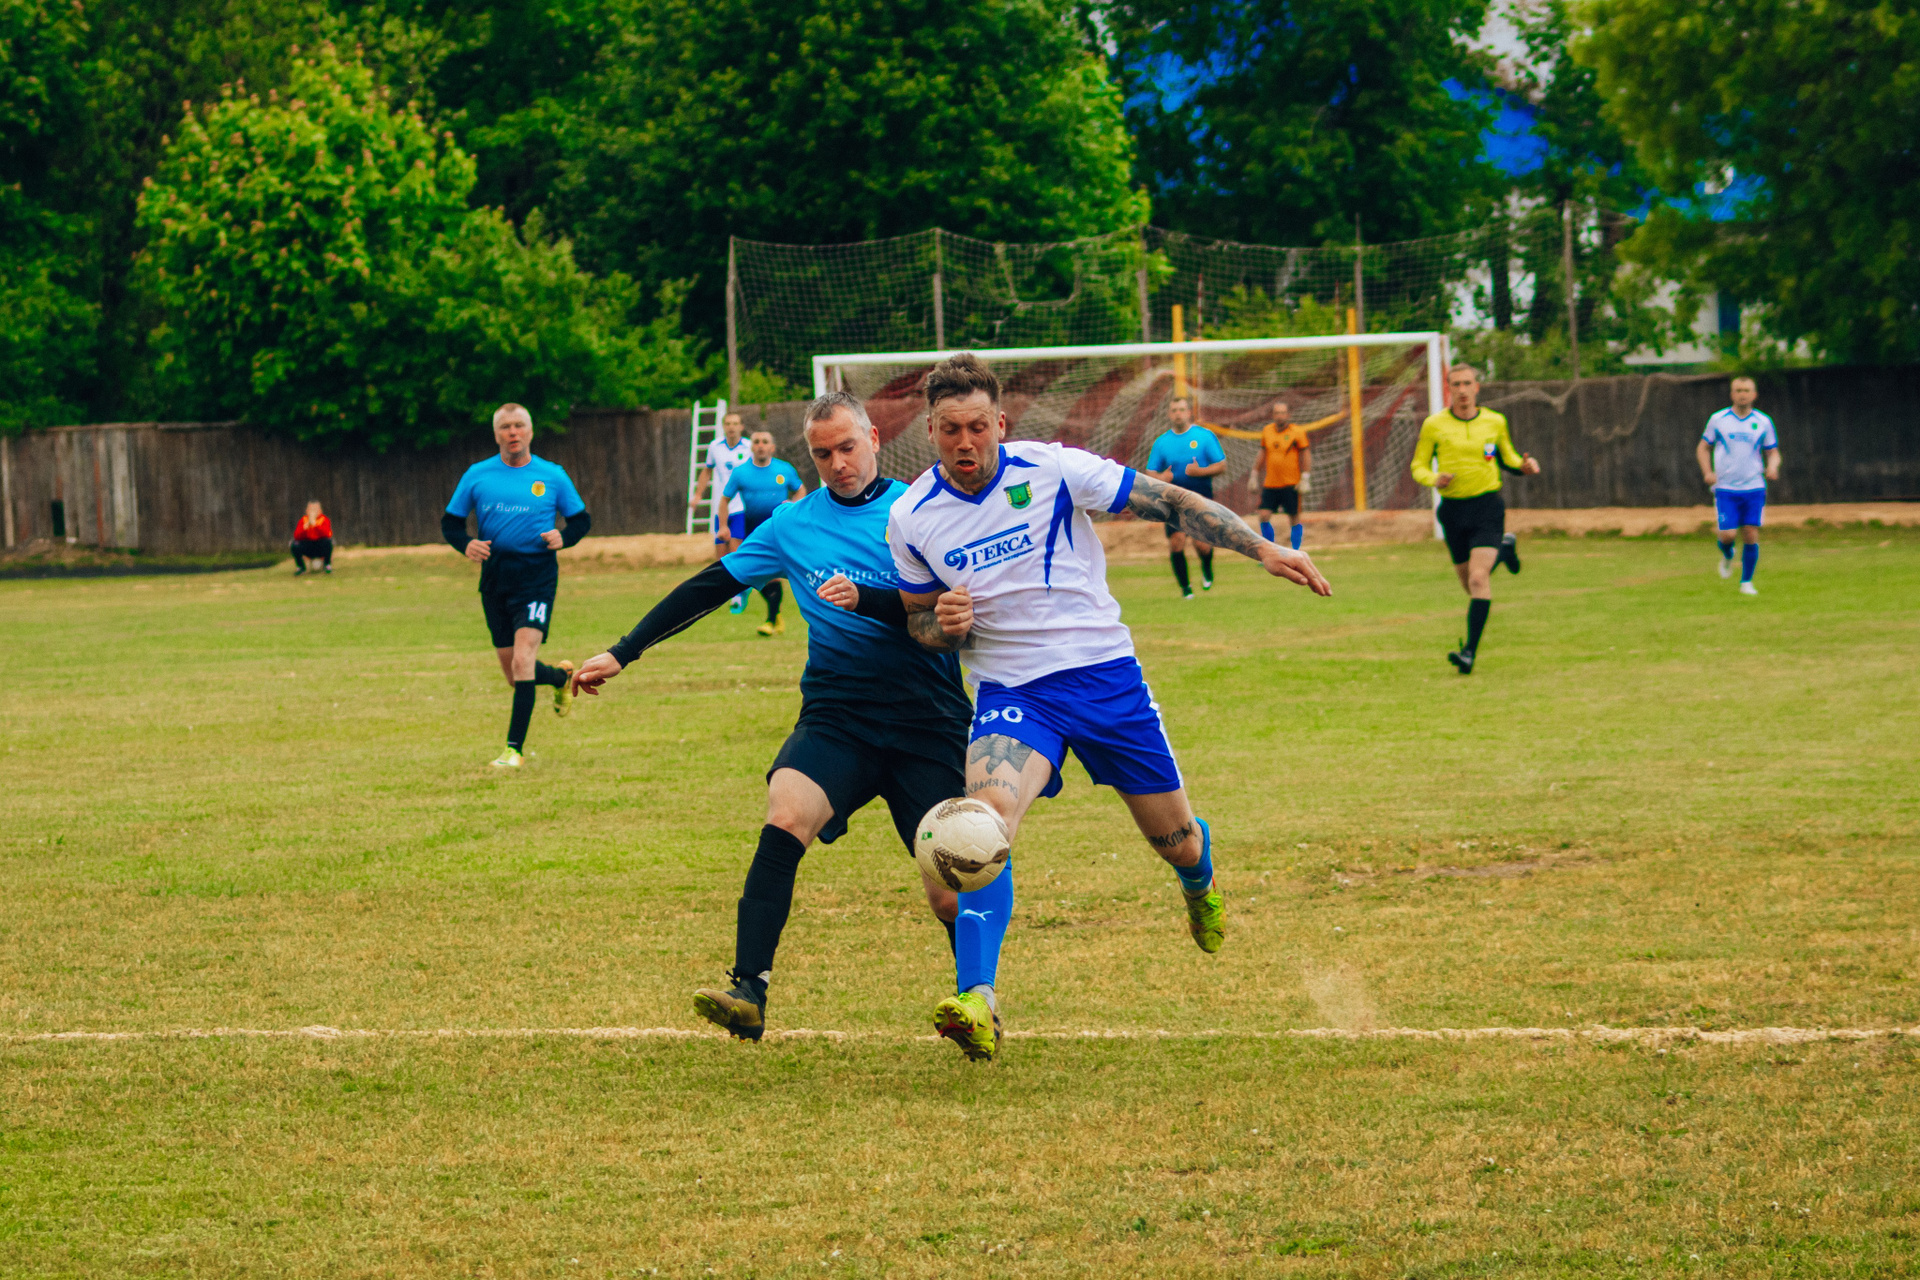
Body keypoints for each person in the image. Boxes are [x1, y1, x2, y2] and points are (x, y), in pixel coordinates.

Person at [888, 353, 1331, 1061]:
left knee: (1176, 840)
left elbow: (1171, 501)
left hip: (1105, 680)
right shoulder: (911, 516)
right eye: (949, 430)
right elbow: (919, 622)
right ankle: (978, 999)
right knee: (982, 824)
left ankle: (1198, 880)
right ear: (931, 431)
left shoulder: (1055, 469)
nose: (964, 442)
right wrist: (945, 624)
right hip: (1012, 691)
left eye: (977, 427)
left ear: (1000, 422)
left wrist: (1260, 548)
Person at [570, 393, 975, 1045]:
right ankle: (748, 990)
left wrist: (892, 606)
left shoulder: (924, 512)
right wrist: (624, 651)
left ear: (874, 439)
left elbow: (955, 616)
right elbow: (712, 586)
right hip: (839, 715)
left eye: (848, 447)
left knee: (948, 885)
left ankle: (976, 1003)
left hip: (928, 721)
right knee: (786, 815)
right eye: (822, 454)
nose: (838, 464)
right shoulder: (792, 525)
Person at [441, 403, 593, 768]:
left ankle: (514, 751)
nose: (513, 432)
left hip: (536, 576)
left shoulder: (552, 475)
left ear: (530, 431)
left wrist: (564, 537)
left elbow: (581, 520)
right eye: (506, 426)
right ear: (496, 434)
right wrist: (466, 544)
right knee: (514, 674)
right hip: (495, 578)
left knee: (524, 660)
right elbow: (450, 523)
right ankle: (559, 677)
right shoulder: (477, 475)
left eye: (519, 425)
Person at [1410, 364, 1541, 675]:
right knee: (1470, 585)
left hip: (1487, 508)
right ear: (1449, 389)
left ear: (1477, 387)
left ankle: (1468, 652)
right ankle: (1504, 550)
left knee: (1479, 580)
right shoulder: (1434, 425)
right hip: (1453, 512)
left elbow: (1507, 456)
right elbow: (1418, 466)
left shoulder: (1495, 421)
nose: (1463, 390)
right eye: (1456, 384)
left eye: (1468, 383)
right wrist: (1433, 478)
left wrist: (1523, 465)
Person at [1696, 376, 1781, 596]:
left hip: (1754, 486)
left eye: (1746, 390)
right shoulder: (1718, 419)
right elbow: (1703, 448)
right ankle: (1727, 553)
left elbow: (1772, 451)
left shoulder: (1763, 421)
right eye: (1738, 390)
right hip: (1726, 488)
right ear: (1732, 394)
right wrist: (1707, 472)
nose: (1742, 394)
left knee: (1751, 533)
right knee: (1727, 535)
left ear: (1754, 394)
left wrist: (1772, 467)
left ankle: (1746, 582)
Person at [723, 430, 806, 636]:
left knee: (773, 575)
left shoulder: (784, 469)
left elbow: (800, 490)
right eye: (757, 442)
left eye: (765, 442)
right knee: (753, 572)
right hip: (752, 530)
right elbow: (724, 500)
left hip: (777, 529)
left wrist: (793, 507)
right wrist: (724, 526)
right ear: (751, 447)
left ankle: (771, 620)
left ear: (772, 447)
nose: (761, 445)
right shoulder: (741, 472)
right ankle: (773, 615)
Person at [1144, 395, 1228, 596]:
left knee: (1202, 545)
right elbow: (1150, 472)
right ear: (1169, 414)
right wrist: (1161, 477)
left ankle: (1207, 568)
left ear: (1189, 413)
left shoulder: (1204, 436)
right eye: (1174, 410)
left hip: (1200, 496)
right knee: (1176, 542)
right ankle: (1186, 589)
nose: (1178, 414)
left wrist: (1200, 472)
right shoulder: (1162, 442)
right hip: (1173, 499)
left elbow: (1221, 465)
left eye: (1181, 410)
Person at [690, 410, 754, 614]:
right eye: (728, 424)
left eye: (735, 423)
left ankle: (737, 594)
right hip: (721, 507)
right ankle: (726, 591)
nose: (731, 427)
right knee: (720, 554)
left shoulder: (749, 447)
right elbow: (707, 471)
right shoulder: (715, 447)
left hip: (741, 506)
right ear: (723, 426)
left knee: (735, 549)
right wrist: (698, 494)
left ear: (741, 427)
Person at [1248, 403, 1313, 551]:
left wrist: (1305, 476)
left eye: (1283, 413)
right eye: (1277, 413)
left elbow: (1306, 453)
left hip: (1291, 483)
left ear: (1288, 415)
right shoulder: (1267, 431)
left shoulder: (1297, 432)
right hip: (1271, 483)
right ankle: (1270, 549)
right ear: (1273, 415)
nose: (1280, 416)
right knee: (1263, 515)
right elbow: (1263, 452)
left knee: (1294, 517)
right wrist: (1254, 473)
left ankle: (1296, 550)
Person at [290, 501, 333, 574]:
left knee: (328, 542)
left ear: (320, 511)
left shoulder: (324, 520)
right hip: (308, 546)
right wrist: (305, 528)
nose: (313, 512)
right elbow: (296, 536)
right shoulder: (303, 520)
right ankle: (301, 567)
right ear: (307, 511)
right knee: (295, 544)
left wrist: (316, 525)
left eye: (315, 509)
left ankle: (327, 565)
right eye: (311, 509)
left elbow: (327, 534)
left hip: (320, 546)